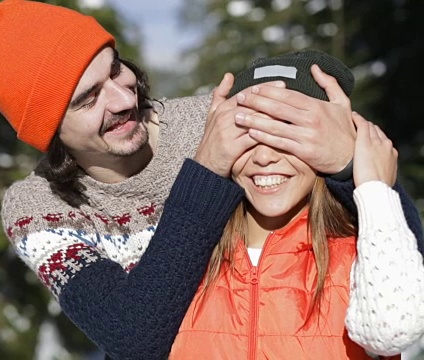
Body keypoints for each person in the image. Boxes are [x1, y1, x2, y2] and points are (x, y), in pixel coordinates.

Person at [0, 1, 424, 358]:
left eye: (116, 69)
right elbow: (133, 337)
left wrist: (345, 165)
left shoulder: (218, 118)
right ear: (47, 131)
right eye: (87, 98)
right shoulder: (39, 210)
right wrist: (207, 173)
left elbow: (399, 259)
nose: (122, 100)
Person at [170, 51, 424, 359]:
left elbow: (392, 332)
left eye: (287, 134)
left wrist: (373, 188)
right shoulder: (182, 259)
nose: (264, 157)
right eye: (249, 135)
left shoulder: (365, 251)